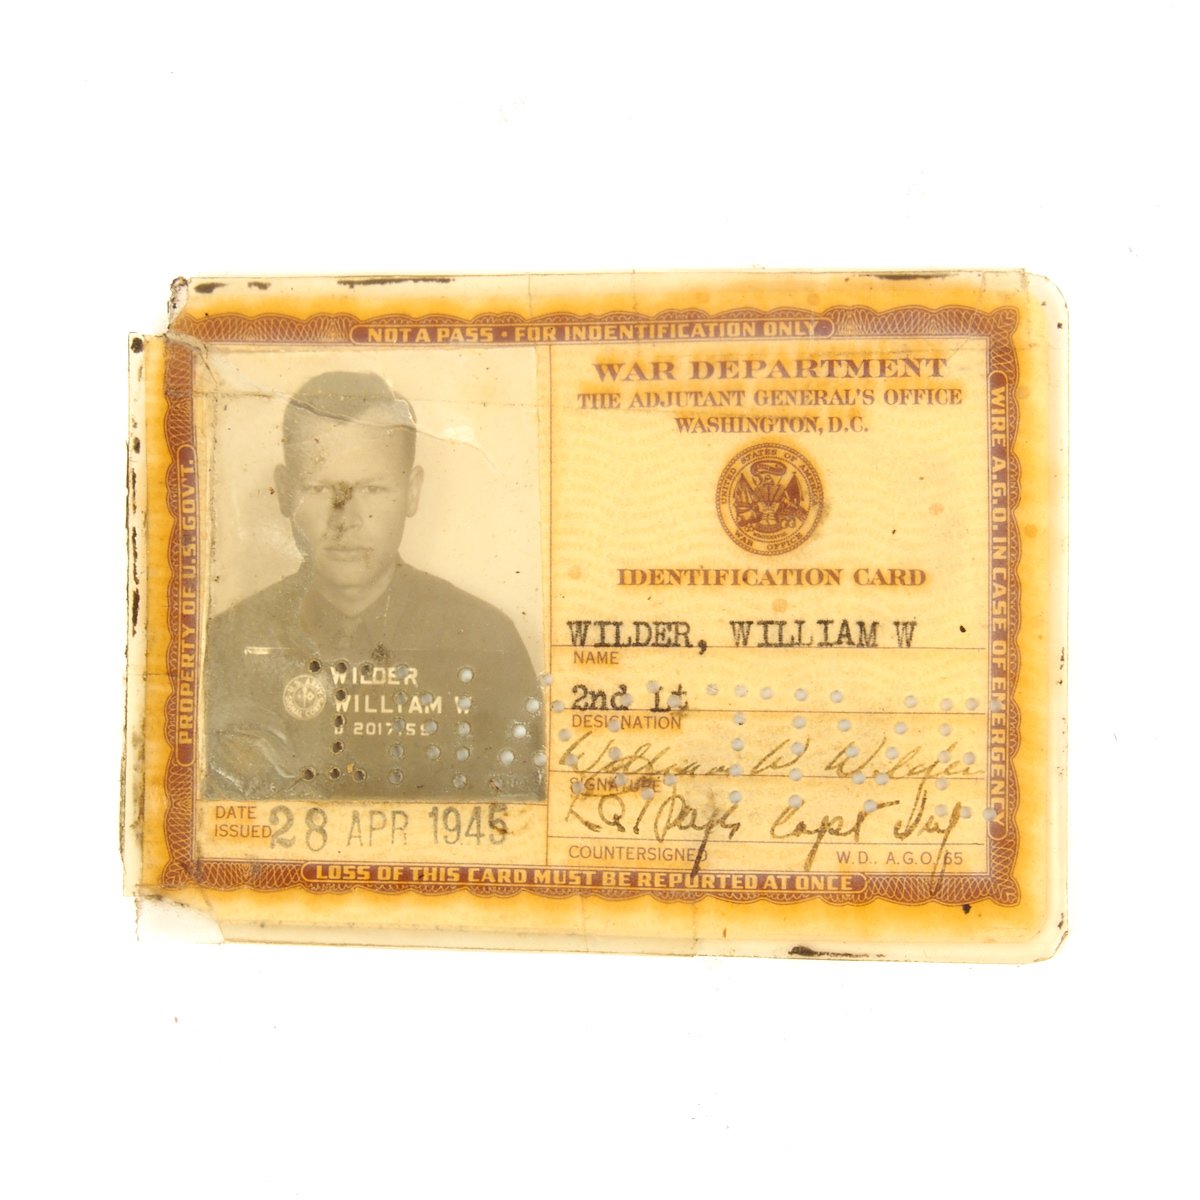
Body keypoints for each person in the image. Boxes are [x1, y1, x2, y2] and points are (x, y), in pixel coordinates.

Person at [202, 371, 544, 801]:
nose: (344, 519)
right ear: (285, 492)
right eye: (319, 487)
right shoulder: (227, 643)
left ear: (412, 492)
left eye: (373, 489)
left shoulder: (487, 642)